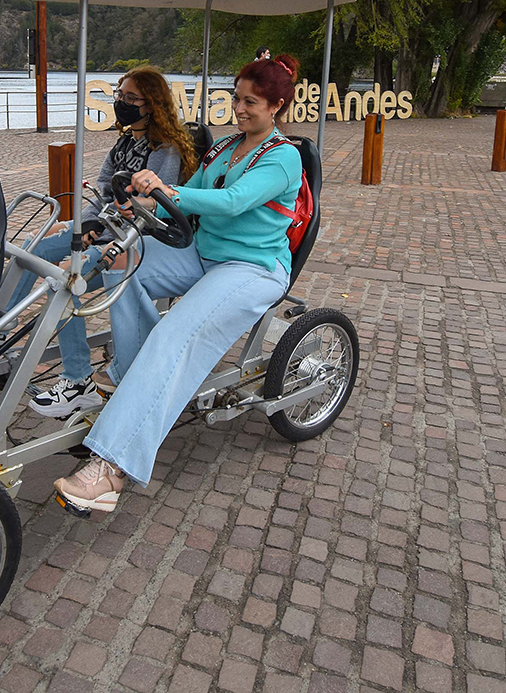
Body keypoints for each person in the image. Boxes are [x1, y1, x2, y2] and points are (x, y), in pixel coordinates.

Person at [52, 54, 303, 514]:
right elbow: (187, 201)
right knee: (120, 261)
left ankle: (111, 468)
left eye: (251, 102)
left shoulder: (284, 156)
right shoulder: (226, 147)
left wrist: (166, 190)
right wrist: (141, 203)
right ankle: (137, 377)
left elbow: (232, 201)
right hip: (202, 251)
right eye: (236, 99)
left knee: (175, 335)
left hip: (250, 266)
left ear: (276, 106)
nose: (239, 109)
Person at [3, 66, 195, 417]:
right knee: (33, 245)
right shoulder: (124, 143)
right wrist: (83, 223)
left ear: (151, 104)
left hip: (136, 241)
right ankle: (1, 327)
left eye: (131, 98)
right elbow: (103, 190)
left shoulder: (164, 151)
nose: (122, 102)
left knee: (64, 281)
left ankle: (78, 381)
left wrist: (100, 232)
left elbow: (150, 211)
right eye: (120, 95)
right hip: (106, 228)